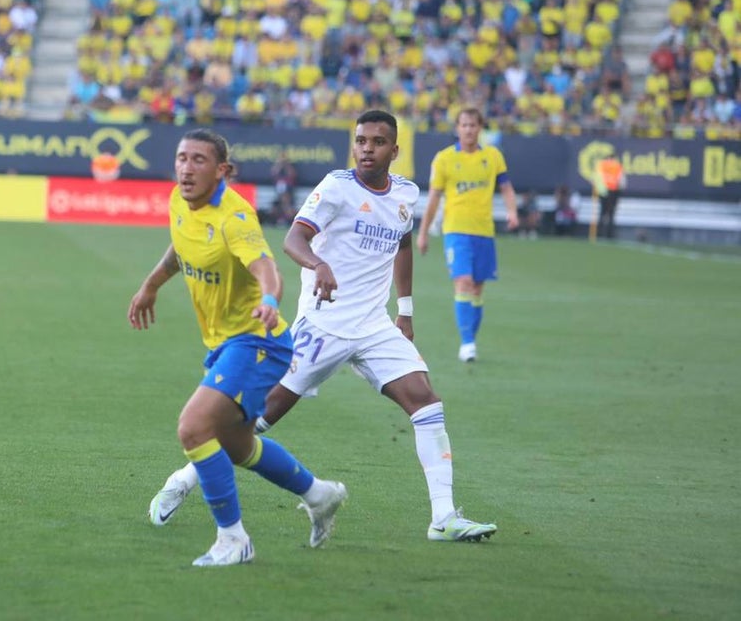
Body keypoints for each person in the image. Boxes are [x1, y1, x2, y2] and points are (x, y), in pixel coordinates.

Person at [147, 111, 497, 543]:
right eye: (361, 141)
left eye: (377, 142)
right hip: (323, 323)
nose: (367, 148)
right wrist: (319, 263)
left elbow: (402, 241)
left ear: (395, 151)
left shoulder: (406, 192)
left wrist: (404, 309)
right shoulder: (337, 187)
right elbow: (294, 239)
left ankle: (443, 517)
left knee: (427, 404)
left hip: (374, 325)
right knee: (257, 418)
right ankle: (183, 479)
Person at [128, 128, 348, 567]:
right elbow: (181, 246)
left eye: (198, 160)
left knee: (193, 428)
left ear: (222, 170)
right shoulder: (179, 201)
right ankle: (320, 495)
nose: (186, 168)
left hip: (258, 341)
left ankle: (233, 539)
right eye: (181, 158)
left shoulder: (235, 216)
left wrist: (269, 299)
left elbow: (267, 268)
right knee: (239, 445)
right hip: (225, 343)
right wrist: (151, 285)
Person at [417, 108, 518, 363]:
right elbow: (433, 198)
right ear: (457, 128)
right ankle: (467, 343)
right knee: (463, 282)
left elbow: (506, 187)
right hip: (456, 230)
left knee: (477, 289)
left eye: (473, 125)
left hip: (484, 231)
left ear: (480, 128)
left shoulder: (493, 156)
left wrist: (512, 212)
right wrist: (423, 233)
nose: (469, 129)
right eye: (464, 125)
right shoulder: (444, 159)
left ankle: (470, 340)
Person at [594, 152, 626, 239]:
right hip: (613, 192)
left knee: (603, 213)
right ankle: (609, 235)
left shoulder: (601, 165)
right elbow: (622, 181)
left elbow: (597, 179)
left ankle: (599, 234)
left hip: (604, 192)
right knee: (611, 214)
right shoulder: (617, 166)